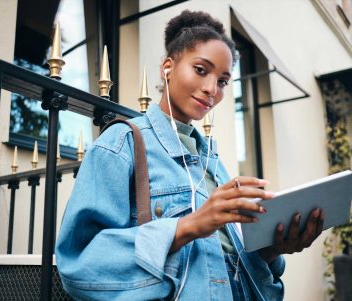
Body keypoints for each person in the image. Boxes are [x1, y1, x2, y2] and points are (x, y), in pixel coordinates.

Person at [56, 10, 324, 301]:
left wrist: (273, 250)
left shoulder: (211, 161)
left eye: (222, 81)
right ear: (168, 67)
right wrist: (188, 226)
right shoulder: (121, 144)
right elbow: (79, 264)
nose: (211, 89)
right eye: (200, 69)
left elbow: (227, 259)